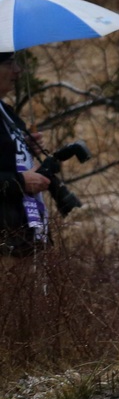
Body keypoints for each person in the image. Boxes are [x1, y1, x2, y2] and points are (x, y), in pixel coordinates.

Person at [1, 51, 49, 257]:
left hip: (23, 236)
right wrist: (20, 182)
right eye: (9, 64)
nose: (18, 71)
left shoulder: (5, 110)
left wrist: (23, 148)